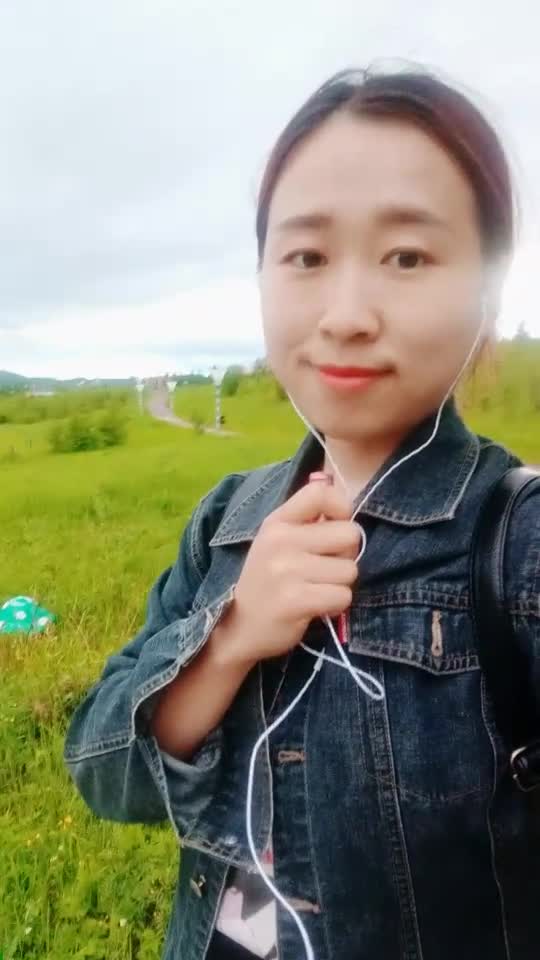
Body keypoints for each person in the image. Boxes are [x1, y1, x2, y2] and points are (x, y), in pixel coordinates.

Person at [64, 64, 540, 960]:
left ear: (489, 288)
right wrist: (230, 638)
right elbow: (102, 771)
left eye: (408, 256)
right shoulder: (225, 523)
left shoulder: (520, 547)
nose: (347, 315)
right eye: (307, 257)